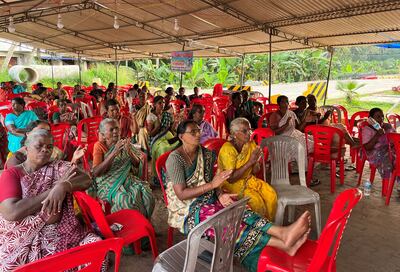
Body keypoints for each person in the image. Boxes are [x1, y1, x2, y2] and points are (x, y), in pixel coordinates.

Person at [165, 120, 311, 272]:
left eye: (198, 130)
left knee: (239, 209)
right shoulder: (175, 159)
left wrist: (220, 194)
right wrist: (213, 186)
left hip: (208, 197)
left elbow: (214, 182)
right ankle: (282, 242)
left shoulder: (206, 154)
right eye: (192, 132)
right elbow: (181, 194)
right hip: (186, 208)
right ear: (181, 136)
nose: (198, 134)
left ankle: (282, 235)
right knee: (226, 224)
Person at [0, 129, 101, 270]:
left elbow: (86, 179)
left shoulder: (57, 166)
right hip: (22, 241)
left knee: (96, 248)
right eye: (39, 146)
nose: (45, 150)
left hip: (61, 233)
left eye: (49, 147)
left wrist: (64, 185)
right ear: (26, 148)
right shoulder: (12, 174)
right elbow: (11, 212)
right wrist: (52, 192)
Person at [92, 118, 154, 218]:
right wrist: (113, 153)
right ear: (103, 135)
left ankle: (143, 223)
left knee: (147, 194)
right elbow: (96, 172)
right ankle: (128, 227)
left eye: (117, 128)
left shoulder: (123, 143)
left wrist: (130, 152)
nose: (115, 131)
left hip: (127, 179)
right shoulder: (99, 146)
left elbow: (137, 165)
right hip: (108, 184)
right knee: (125, 200)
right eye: (111, 130)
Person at [218, 117, 277, 220]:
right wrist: (250, 161)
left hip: (249, 180)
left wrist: (256, 161)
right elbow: (231, 179)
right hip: (231, 185)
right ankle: (258, 230)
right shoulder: (227, 150)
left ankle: (270, 225)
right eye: (245, 131)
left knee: (271, 195)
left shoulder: (250, 144)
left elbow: (255, 171)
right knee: (256, 202)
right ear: (234, 133)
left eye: (250, 130)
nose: (249, 133)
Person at [5, 120, 86, 168]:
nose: (45, 134)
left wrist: (74, 159)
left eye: (48, 132)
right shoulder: (17, 159)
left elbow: (63, 173)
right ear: (28, 134)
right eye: (40, 131)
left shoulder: (54, 151)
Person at [362, 108, 398, 190]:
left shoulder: (387, 126)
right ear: (371, 119)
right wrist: (377, 135)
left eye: (382, 116)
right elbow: (367, 147)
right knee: (388, 160)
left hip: (389, 149)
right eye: (378, 117)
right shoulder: (367, 129)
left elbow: (395, 137)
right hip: (375, 153)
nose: (381, 119)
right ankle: (385, 189)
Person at [146, 96, 179, 184]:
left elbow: (171, 130)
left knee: (180, 143)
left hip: (168, 136)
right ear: (154, 105)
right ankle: (162, 177)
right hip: (157, 140)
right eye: (160, 103)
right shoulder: (151, 116)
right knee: (164, 149)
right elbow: (151, 134)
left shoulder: (167, 115)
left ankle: (174, 173)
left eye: (163, 103)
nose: (162, 105)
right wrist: (158, 126)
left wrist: (175, 123)